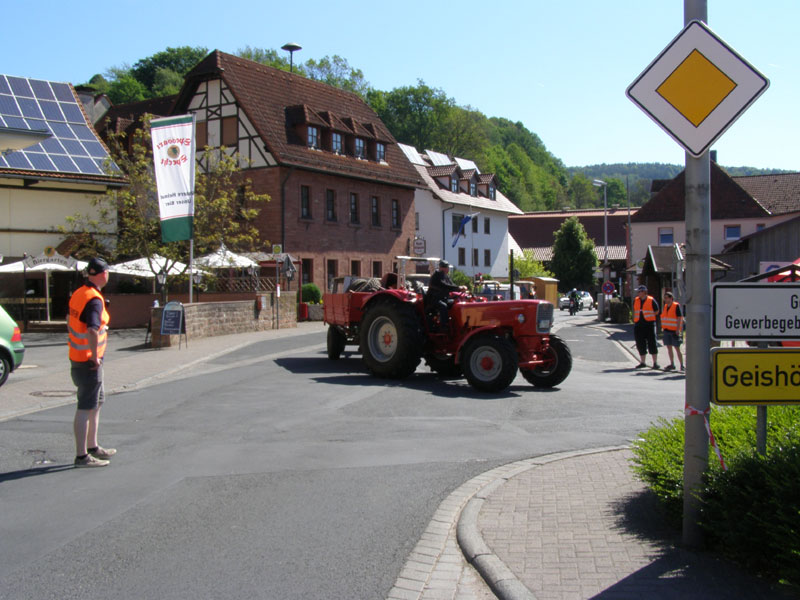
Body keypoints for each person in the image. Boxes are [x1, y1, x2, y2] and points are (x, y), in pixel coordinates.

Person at [68, 257, 116, 468]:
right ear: (103, 273)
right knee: (86, 406)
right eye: (107, 272)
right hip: (89, 361)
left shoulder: (80, 293)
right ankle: (81, 456)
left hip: (79, 357)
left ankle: (92, 446)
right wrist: (95, 356)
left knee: (96, 403)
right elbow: (92, 329)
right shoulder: (94, 299)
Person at [425, 260, 466, 331]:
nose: (447, 269)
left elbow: (451, 285)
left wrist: (460, 288)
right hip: (434, 299)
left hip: (443, 298)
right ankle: (444, 326)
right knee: (443, 306)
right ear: (441, 268)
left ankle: (454, 322)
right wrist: (458, 288)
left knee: (454, 303)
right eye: (445, 267)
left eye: (447, 267)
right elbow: (444, 286)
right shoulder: (437, 276)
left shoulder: (446, 276)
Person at [633, 284, 660, 369]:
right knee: (640, 343)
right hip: (639, 324)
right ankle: (643, 362)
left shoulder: (651, 300)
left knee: (652, 343)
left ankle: (655, 363)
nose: (638, 293)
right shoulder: (636, 300)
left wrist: (649, 316)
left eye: (639, 291)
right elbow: (635, 310)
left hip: (649, 324)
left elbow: (657, 311)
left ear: (644, 292)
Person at [660, 291, 684, 371]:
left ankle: (682, 365)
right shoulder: (665, 306)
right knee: (669, 348)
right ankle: (672, 364)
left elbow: (679, 318)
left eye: (667, 298)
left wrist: (678, 330)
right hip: (667, 330)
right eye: (665, 298)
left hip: (674, 331)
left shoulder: (676, 306)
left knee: (677, 348)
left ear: (671, 298)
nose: (665, 299)